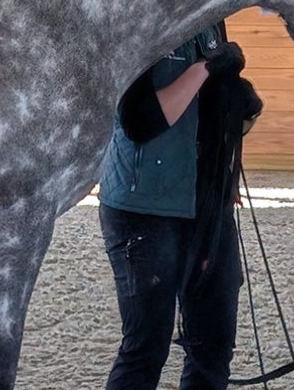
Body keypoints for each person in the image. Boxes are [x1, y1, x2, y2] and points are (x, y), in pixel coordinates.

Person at [98, 22, 263, 390]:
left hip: (206, 206)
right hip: (144, 210)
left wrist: (238, 105)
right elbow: (141, 121)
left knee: (214, 344)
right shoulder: (141, 21)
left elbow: (204, 112)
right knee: (145, 349)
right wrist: (204, 67)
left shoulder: (212, 18)